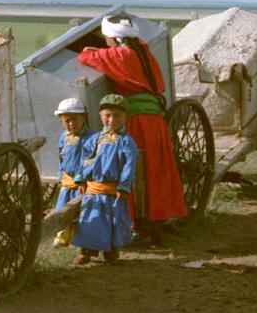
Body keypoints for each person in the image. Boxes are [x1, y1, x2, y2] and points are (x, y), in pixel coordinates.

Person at [78, 15, 186, 245]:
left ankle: (139, 225)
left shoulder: (121, 55)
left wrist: (90, 48)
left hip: (138, 121)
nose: (105, 41)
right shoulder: (142, 51)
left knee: (135, 170)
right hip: (155, 119)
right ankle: (157, 221)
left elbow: (86, 57)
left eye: (106, 37)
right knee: (155, 169)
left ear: (114, 39)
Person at [72, 95, 137, 265]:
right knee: (89, 220)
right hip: (93, 190)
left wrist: (124, 185)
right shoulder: (95, 139)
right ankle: (86, 251)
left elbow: (129, 165)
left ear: (125, 117)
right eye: (107, 115)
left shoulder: (126, 142)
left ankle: (111, 251)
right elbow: (86, 159)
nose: (112, 119)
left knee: (112, 221)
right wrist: (81, 178)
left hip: (112, 191)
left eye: (117, 116)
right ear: (101, 116)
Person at [53, 98, 93, 211]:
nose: (71, 124)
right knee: (61, 217)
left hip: (85, 187)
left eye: (75, 119)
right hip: (67, 187)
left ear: (84, 117)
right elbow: (61, 156)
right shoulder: (64, 137)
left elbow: (91, 160)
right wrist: (61, 176)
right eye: (67, 120)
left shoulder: (92, 138)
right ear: (61, 121)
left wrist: (82, 178)